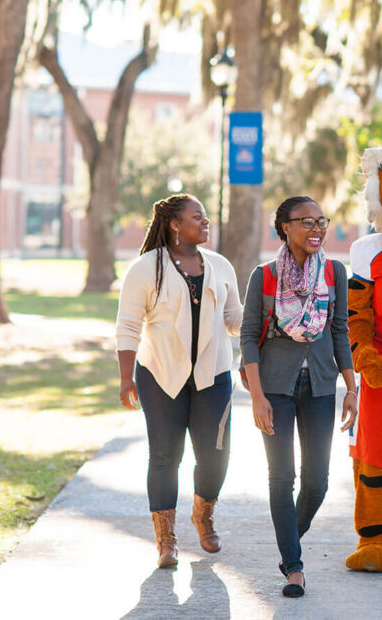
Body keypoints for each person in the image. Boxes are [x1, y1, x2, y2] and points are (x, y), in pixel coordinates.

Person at [115, 194, 244, 569]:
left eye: (205, 217)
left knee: (216, 456)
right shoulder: (145, 268)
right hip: (160, 375)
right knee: (165, 457)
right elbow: (128, 325)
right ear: (175, 224)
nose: (205, 222)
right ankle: (165, 540)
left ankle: (203, 515)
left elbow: (234, 318)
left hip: (213, 375)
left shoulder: (220, 266)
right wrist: (126, 377)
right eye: (197, 217)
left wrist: (261, 318)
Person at [240, 196, 358, 598]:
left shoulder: (335, 272)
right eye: (305, 221)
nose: (316, 229)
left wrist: (351, 388)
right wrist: (257, 396)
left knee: (318, 483)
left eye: (320, 221)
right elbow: (248, 337)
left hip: (322, 386)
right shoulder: (265, 275)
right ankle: (293, 566)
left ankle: (288, 534)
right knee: (281, 476)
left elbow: (340, 330)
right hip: (275, 386)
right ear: (284, 227)